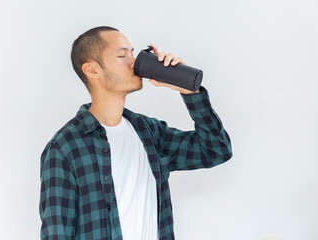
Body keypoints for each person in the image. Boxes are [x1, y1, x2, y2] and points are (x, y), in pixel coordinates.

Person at [39, 26, 233, 240]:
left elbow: (217, 150)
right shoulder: (65, 148)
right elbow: (57, 233)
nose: (134, 62)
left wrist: (190, 90)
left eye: (133, 52)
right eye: (122, 55)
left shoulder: (148, 132)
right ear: (92, 70)